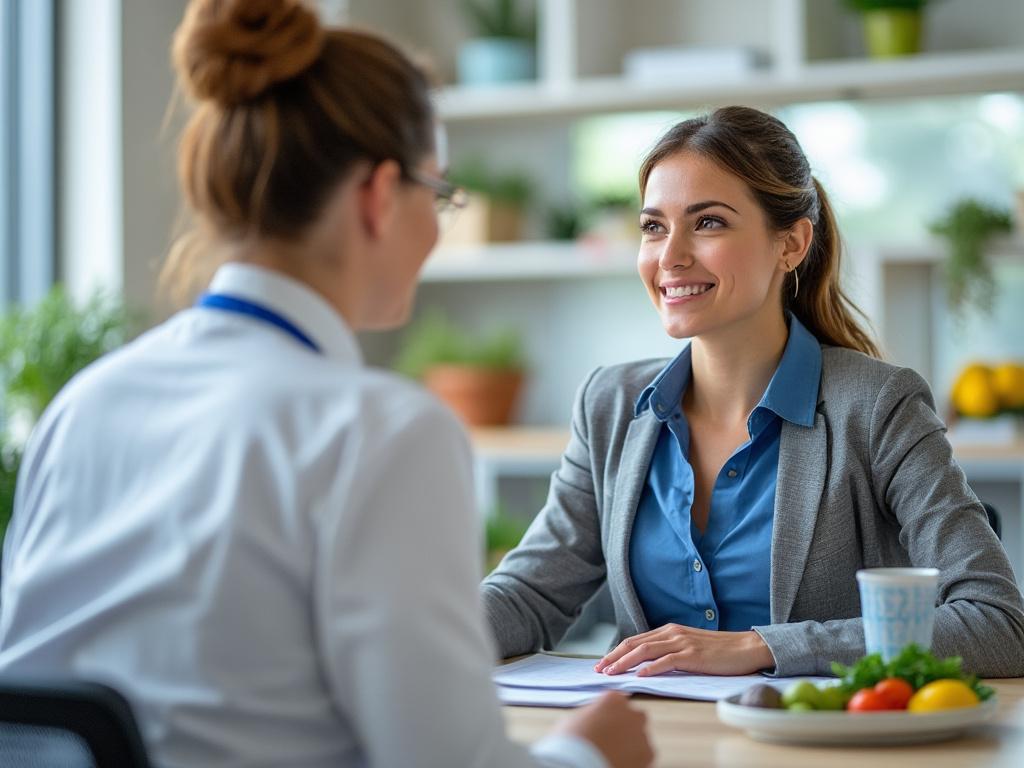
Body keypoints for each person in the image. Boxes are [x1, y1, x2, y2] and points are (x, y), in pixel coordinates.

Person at [0, 2, 655, 767]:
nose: (438, 228)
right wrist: (588, 754)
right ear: (380, 196)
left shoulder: (87, 404)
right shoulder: (380, 431)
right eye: (439, 197)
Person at [481, 105, 1024, 680]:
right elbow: (528, 595)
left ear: (791, 244)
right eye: (653, 226)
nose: (670, 256)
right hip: (650, 742)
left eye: (708, 222)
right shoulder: (610, 404)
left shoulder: (878, 406)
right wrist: (406, 636)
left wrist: (765, 647)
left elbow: (998, 624)